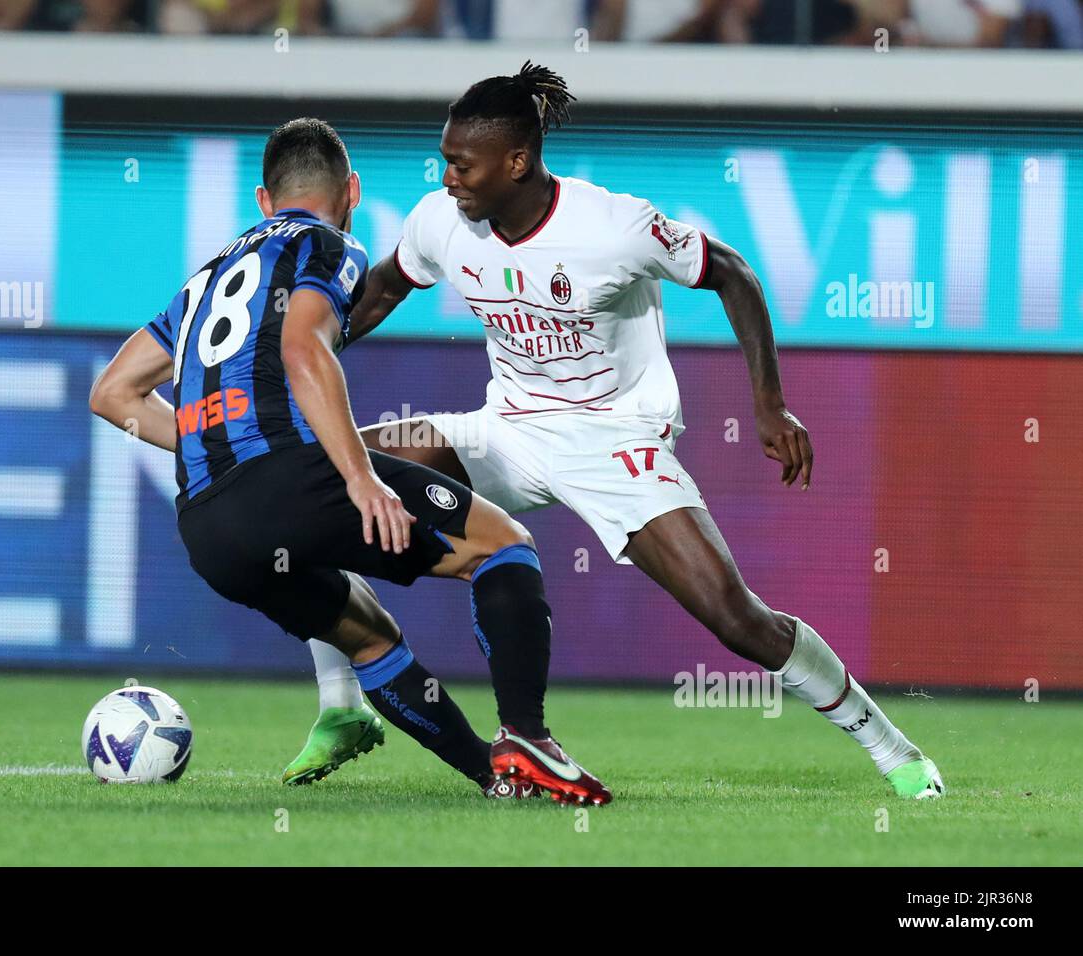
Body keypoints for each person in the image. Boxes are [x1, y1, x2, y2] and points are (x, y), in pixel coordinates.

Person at [296, 64, 944, 800]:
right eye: (445, 160)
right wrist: (310, 351)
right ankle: (342, 708)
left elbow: (733, 273)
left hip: (615, 442)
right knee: (314, 473)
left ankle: (894, 749)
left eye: (461, 164)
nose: (447, 178)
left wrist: (769, 405)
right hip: (504, 429)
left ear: (517, 161)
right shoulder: (440, 223)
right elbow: (380, 289)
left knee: (738, 622)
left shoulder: (612, 226)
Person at [90, 117, 611, 805]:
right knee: (501, 546)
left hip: (209, 526)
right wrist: (360, 478)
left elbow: (112, 393)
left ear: (264, 200)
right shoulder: (328, 244)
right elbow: (305, 349)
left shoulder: (206, 278)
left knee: (367, 638)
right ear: (352, 191)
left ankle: (496, 779)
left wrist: (202, 441)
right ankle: (528, 737)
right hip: (288, 478)